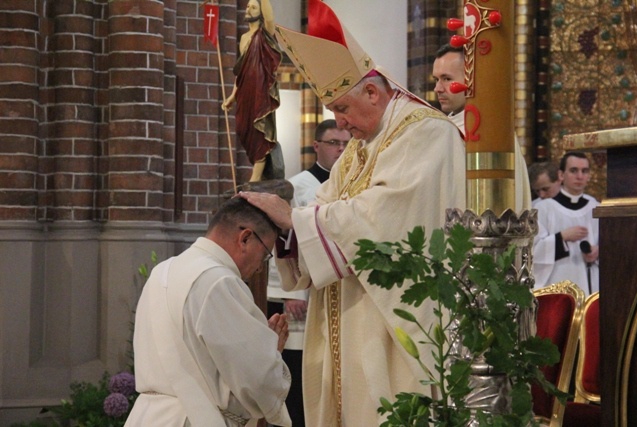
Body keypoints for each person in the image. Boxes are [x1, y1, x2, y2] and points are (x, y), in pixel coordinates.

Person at [241, 2, 467, 424]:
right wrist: (292, 227)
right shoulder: (359, 149)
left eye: (343, 109)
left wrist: (296, 220)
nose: (341, 125)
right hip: (346, 313)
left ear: (372, 91)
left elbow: (384, 218)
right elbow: (325, 207)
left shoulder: (427, 134)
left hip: (389, 323)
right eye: (334, 115)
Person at [125, 197, 292, 427]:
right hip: (194, 418)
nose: (260, 267)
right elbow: (256, 382)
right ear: (245, 238)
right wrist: (271, 353)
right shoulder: (219, 282)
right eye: (264, 255)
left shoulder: (163, 271)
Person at [267, 119, 351, 426]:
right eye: (334, 143)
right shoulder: (299, 186)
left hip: (339, 291)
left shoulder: (350, 184)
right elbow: (286, 237)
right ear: (317, 146)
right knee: (301, 367)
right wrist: (290, 292)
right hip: (304, 294)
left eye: (346, 143)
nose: (341, 150)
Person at [433, 43, 531, 212]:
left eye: (447, 79)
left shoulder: (490, 128)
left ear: (471, 79)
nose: (437, 89)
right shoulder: (444, 125)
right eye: (436, 80)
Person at [222, 0, 284, 182]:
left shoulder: (264, 34)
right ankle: (258, 174)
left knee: (259, 131)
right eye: (248, 6)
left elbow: (271, 19)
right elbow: (240, 71)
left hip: (260, 90)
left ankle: (255, 178)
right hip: (245, 90)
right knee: (243, 128)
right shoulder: (243, 38)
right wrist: (232, 96)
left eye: (254, 7)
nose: (249, 9)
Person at [533, 151, 600, 295]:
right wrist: (561, 237)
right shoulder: (543, 208)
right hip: (557, 283)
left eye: (585, 171)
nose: (580, 176)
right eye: (574, 170)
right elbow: (533, 251)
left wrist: (598, 252)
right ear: (561, 175)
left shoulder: (597, 208)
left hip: (591, 283)